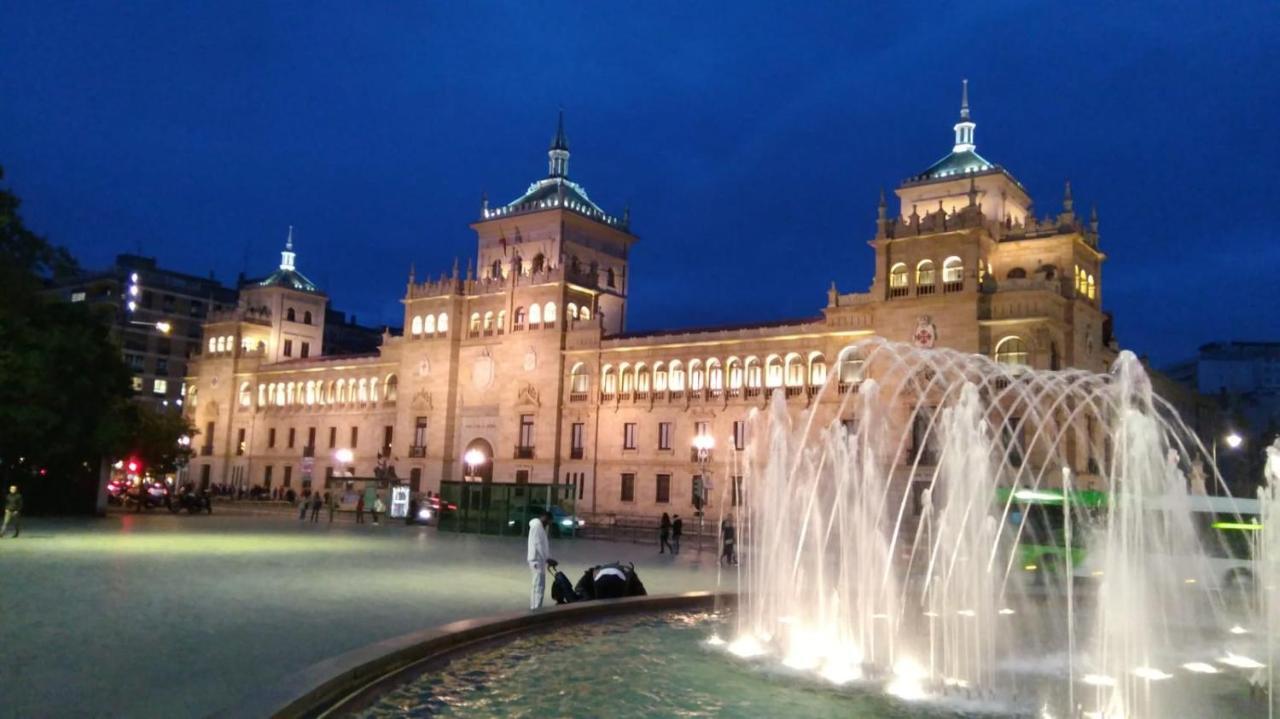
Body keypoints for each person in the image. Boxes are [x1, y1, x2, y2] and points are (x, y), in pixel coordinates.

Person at [527, 510, 556, 610]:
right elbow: (538, 544)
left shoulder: (540, 527)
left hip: (540, 560)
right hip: (536, 561)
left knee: (540, 586)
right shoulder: (537, 527)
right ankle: (535, 609)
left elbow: (542, 545)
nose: (549, 524)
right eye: (549, 521)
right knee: (537, 586)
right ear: (545, 518)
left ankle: (536, 608)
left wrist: (547, 558)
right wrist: (547, 559)